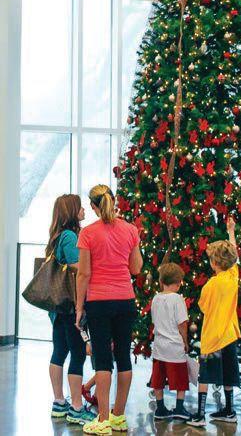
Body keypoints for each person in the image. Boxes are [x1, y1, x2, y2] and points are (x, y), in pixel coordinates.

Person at [76, 185, 143, 436]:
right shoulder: (130, 230)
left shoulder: (88, 233)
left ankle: (102, 420)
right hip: (125, 300)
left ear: (94, 207)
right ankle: (118, 417)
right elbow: (136, 268)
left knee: (103, 360)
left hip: (99, 302)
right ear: (113, 202)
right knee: (123, 357)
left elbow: (84, 274)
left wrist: (79, 308)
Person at [187, 218, 240, 428]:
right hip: (229, 335)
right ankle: (230, 410)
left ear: (214, 263)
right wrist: (231, 232)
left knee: (205, 376)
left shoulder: (211, 285)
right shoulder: (233, 277)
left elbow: (203, 306)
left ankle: (200, 415)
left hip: (212, 337)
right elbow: (235, 255)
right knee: (229, 373)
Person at [47, 194, 95, 425]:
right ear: (71, 211)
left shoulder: (57, 235)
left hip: (58, 307)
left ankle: (59, 402)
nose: (84, 210)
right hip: (69, 306)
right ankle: (76, 407)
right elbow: (77, 266)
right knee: (77, 354)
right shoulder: (69, 236)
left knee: (59, 352)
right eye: (80, 207)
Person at [150, 263, 190, 421]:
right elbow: (182, 324)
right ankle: (179, 408)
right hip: (174, 346)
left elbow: (154, 320)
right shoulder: (177, 299)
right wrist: (185, 341)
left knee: (158, 378)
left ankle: (160, 408)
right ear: (178, 282)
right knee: (180, 378)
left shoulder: (156, 298)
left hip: (159, 346)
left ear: (161, 281)